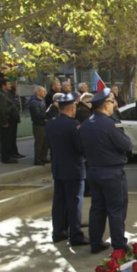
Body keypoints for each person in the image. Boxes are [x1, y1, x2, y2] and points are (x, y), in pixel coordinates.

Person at [79, 88, 132, 253]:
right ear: (105, 105)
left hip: (94, 170)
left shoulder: (86, 124)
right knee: (116, 209)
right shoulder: (110, 124)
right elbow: (127, 145)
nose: (113, 104)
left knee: (97, 208)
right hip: (112, 172)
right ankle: (119, 243)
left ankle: (95, 242)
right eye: (111, 101)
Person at [46, 93, 89, 247]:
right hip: (73, 168)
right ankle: (75, 234)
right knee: (75, 202)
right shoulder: (73, 124)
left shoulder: (51, 122)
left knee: (59, 201)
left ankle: (58, 232)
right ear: (72, 108)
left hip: (58, 167)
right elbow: (79, 146)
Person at [0, 78, 22, 163]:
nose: (10, 85)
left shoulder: (7, 93)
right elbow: (2, 110)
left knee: (11, 139)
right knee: (5, 140)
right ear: (3, 86)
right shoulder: (2, 95)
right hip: (7, 120)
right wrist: (4, 122)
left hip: (12, 120)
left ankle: (12, 154)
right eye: (8, 84)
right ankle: (6, 157)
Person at [29, 86, 49, 165]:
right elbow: (37, 114)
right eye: (43, 91)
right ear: (38, 92)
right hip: (38, 124)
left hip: (43, 123)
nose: (45, 92)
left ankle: (43, 157)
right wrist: (46, 116)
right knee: (39, 142)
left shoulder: (41, 100)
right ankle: (37, 159)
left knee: (45, 142)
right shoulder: (34, 102)